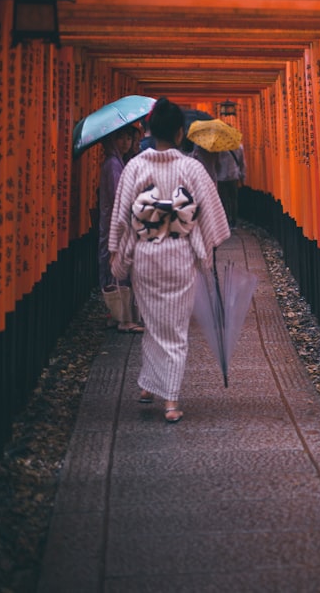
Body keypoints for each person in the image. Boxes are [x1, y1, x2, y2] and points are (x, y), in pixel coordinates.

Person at [108, 97, 231, 423]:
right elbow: (211, 214)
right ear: (180, 133)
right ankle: (170, 400)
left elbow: (121, 217)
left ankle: (151, 384)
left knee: (153, 324)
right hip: (179, 256)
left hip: (146, 257)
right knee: (174, 329)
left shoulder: (135, 167)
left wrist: (116, 253)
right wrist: (205, 252)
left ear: (148, 130)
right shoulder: (192, 168)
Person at [97, 124, 144, 333]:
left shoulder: (115, 162)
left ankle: (115, 316)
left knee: (113, 268)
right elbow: (120, 197)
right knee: (120, 268)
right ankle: (125, 320)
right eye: (121, 138)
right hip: (117, 226)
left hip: (111, 224)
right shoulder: (114, 165)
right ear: (112, 140)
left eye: (128, 138)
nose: (126, 143)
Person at [215, 145, 244, 228]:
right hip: (234, 176)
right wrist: (242, 175)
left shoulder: (218, 148)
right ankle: (234, 221)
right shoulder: (239, 146)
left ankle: (226, 220)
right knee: (233, 199)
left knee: (224, 200)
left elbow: (216, 163)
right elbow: (242, 162)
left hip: (221, 176)